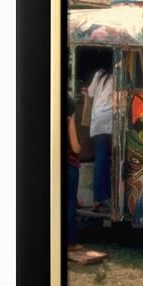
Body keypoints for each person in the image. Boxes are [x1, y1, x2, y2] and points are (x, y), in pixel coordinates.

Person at [88, 56, 113, 209]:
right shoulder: (117, 74)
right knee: (107, 159)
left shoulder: (99, 74)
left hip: (98, 120)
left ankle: (99, 197)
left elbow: (90, 93)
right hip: (110, 120)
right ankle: (103, 197)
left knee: (100, 159)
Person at [67, 95, 82, 250]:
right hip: (70, 167)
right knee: (70, 204)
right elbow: (75, 147)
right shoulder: (69, 121)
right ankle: (71, 241)